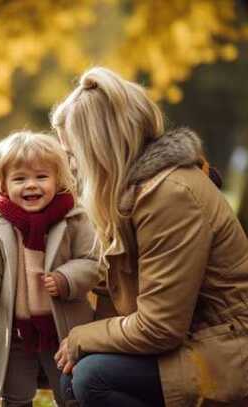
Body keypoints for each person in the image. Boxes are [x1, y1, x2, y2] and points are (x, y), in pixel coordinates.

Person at [51, 67, 248, 407]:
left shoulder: (170, 195)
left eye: (74, 154)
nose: (73, 168)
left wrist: (83, 337)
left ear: (100, 149)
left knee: (93, 378)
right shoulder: (131, 193)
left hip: (227, 349)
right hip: (193, 340)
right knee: (72, 379)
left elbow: (161, 327)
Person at [0, 131, 99, 407]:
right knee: (15, 392)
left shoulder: (74, 219)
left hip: (63, 330)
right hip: (15, 331)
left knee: (70, 390)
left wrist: (66, 278)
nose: (31, 185)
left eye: (41, 177)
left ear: (58, 179)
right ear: (2, 184)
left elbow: (93, 261)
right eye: (20, 178)